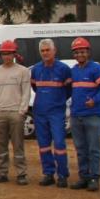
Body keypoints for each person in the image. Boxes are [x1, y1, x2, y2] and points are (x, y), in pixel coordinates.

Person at [0, 40, 31, 185]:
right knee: (1, 145)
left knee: (18, 145)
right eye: (4, 54)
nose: (6, 56)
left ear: (14, 54)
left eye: (9, 53)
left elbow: (26, 93)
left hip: (15, 112)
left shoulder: (23, 71)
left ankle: (21, 173)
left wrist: (22, 111)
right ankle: (2, 172)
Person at [69, 37, 100, 191]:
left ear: (88, 52)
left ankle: (94, 177)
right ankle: (84, 176)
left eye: (82, 51)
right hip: (76, 115)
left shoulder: (96, 69)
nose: (80, 54)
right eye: (77, 52)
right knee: (80, 148)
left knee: (93, 148)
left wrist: (95, 100)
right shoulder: (73, 71)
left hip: (92, 115)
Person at [31, 38, 72, 187]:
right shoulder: (36, 69)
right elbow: (35, 88)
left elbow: (69, 90)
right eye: (42, 51)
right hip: (40, 112)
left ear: (54, 51)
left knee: (60, 143)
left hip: (56, 112)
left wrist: (58, 102)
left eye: (48, 50)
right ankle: (48, 173)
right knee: (44, 145)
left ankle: (62, 175)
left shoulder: (63, 69)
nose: (45, 53)